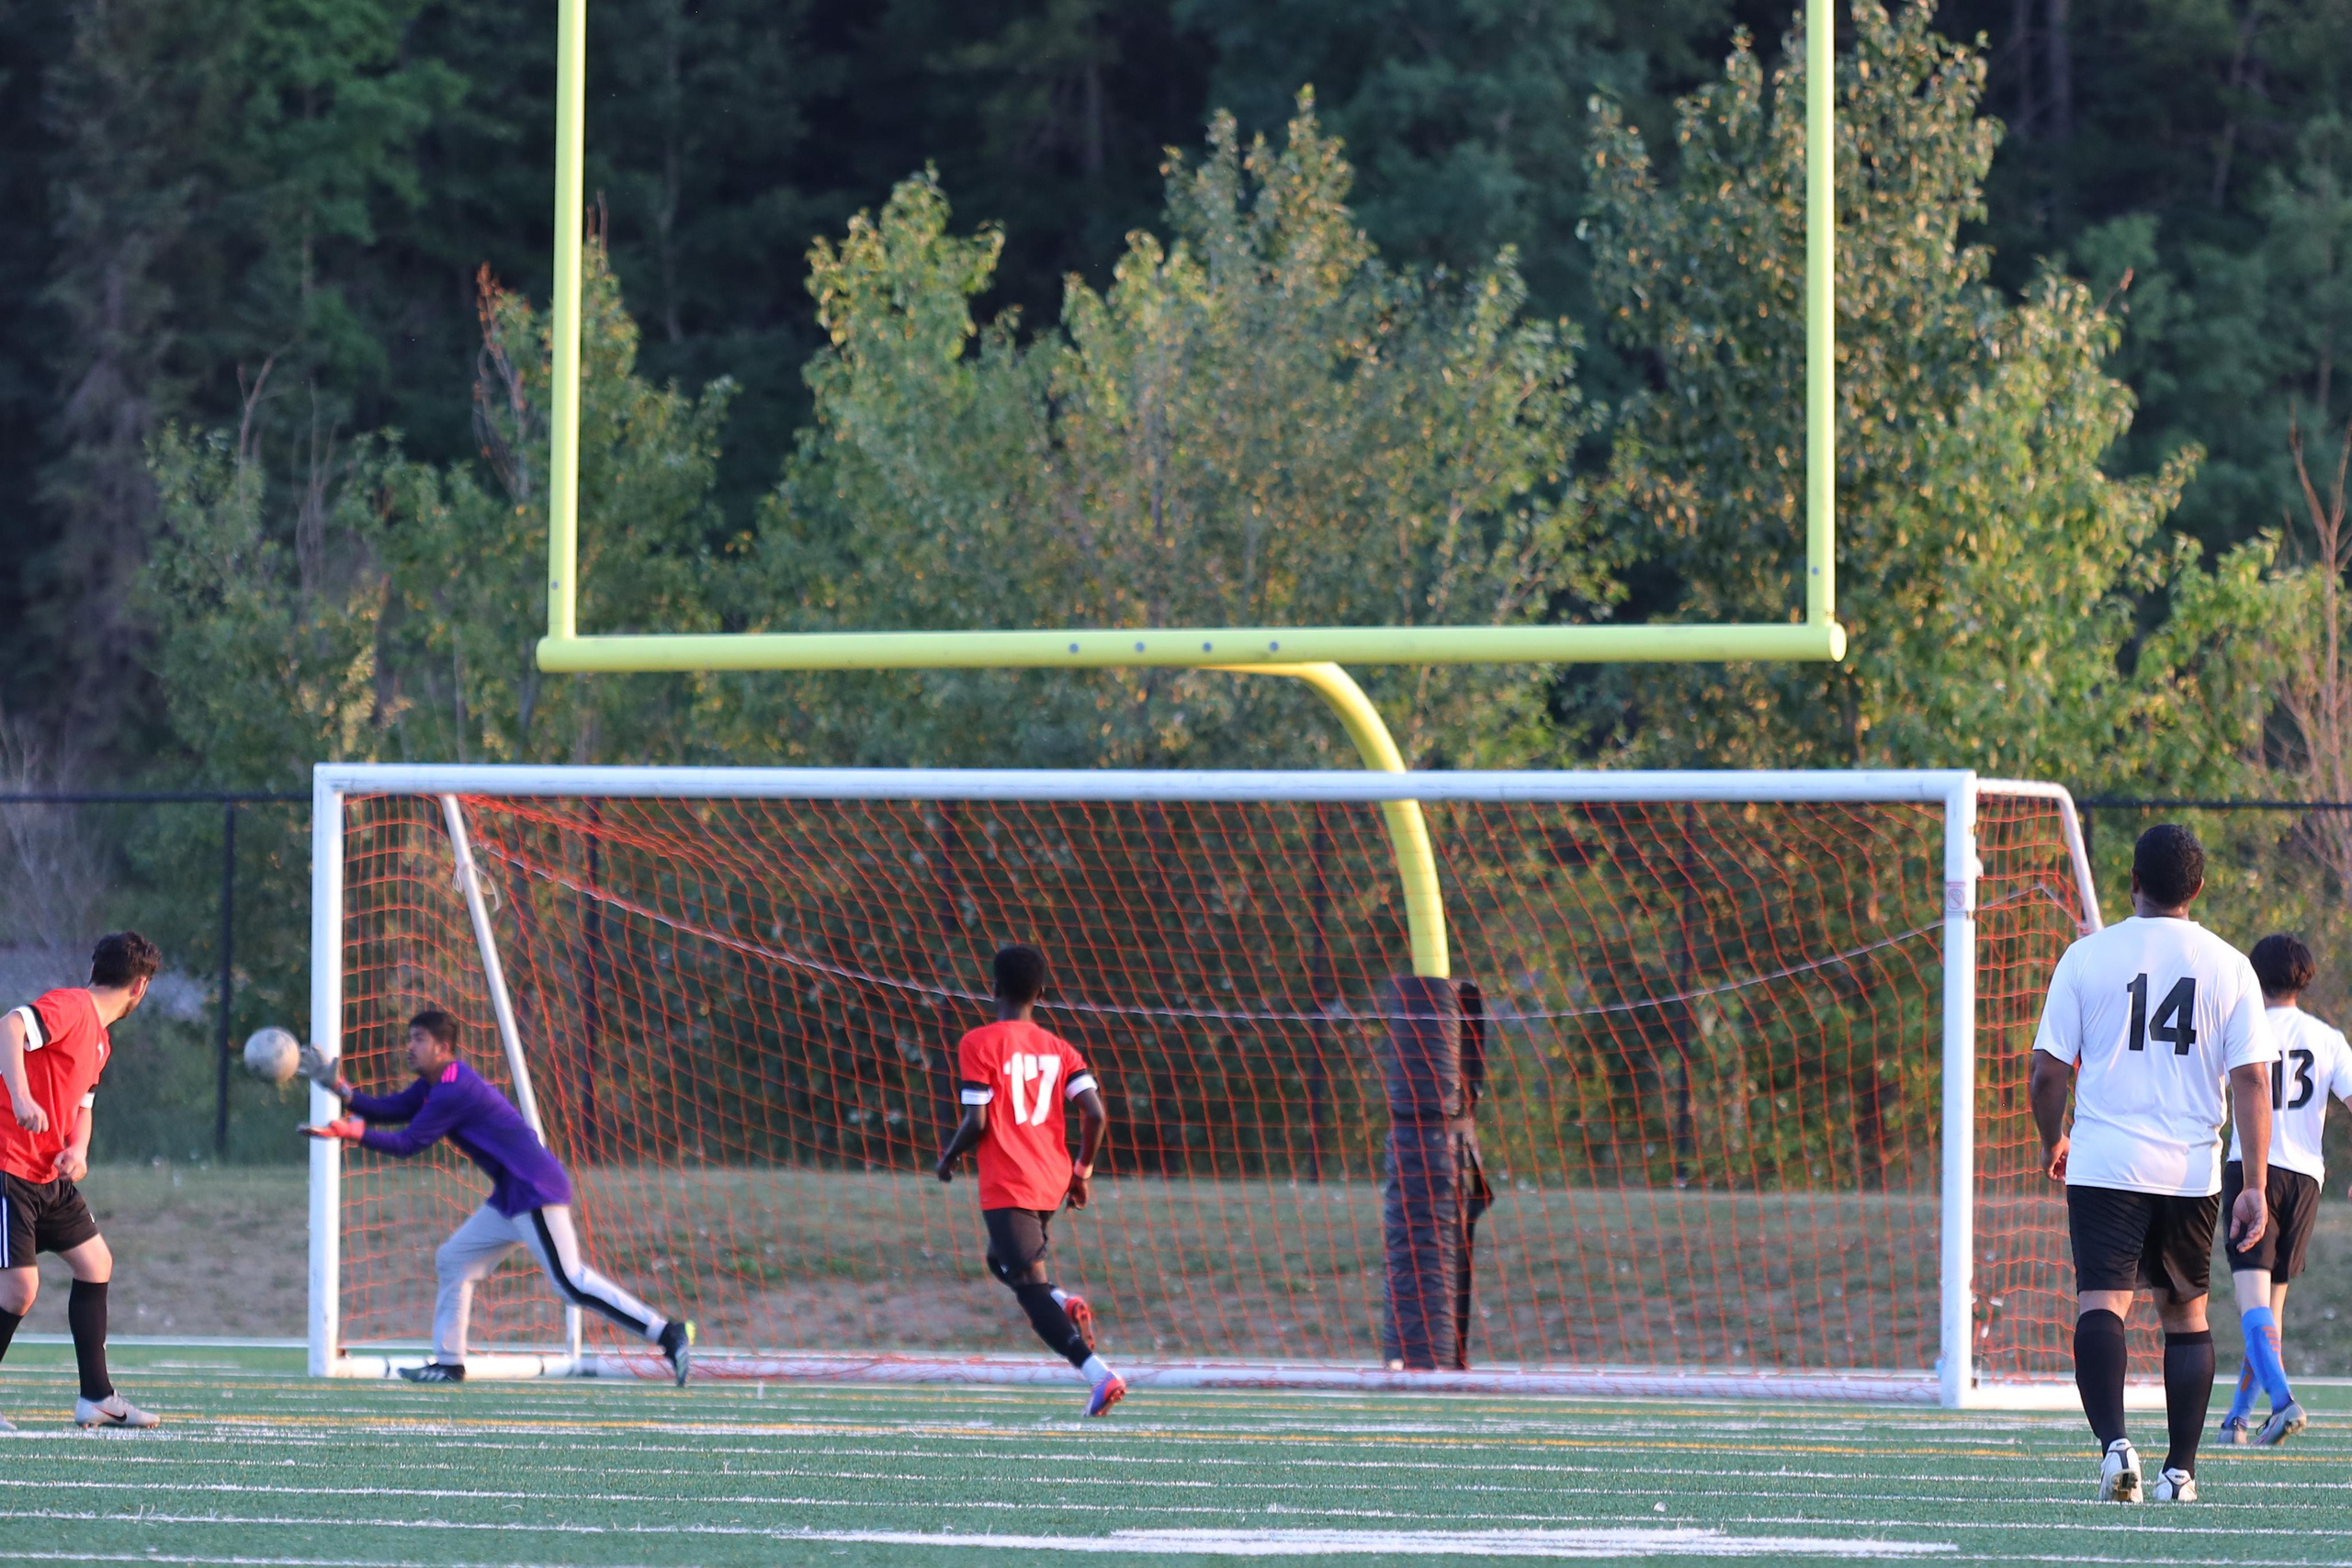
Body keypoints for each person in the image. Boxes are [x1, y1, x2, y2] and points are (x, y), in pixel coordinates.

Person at [2029, 824, 2276, 1504]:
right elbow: (2253, 1080)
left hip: (2105, 1159)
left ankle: (2114, 1448)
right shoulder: (2231, 965)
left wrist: (2053, 1137)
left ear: (2132, 882)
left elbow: (2048, 1074)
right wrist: (2253, 1182)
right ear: (2197, 888)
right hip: (2190, 1168)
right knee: (2186, 1314)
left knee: (2101, 1303)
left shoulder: (2085, 957)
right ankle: (2180, 1471)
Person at [303, 1009, 694, 1385]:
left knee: (570, 1284)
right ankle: (448, 1364)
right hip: (511, 1194)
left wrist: (354, 1134)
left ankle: (667, 1333)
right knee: (454, 1260)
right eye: (409, 1039)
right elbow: (390, 1110)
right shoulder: (437, 1084)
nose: (409, 1047)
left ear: (443, 1047)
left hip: (533, 1187)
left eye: (418, 1039)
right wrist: (338, 1088)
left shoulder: (452, 1090)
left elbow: (409, 1143)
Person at [933, 943, 1125, 1416]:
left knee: (1025, 1283)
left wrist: (948, 1157)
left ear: (993, 988)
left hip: (1010, 1181)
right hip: (1051, 1180)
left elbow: (977, 1121)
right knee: (999, 1262)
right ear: (1042, 992)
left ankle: (1098, 1375)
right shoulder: (1061, 1049)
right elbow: (1095, 1114)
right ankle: (1062, 1300)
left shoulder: (977, 1042)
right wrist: (1081, 1173)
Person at [0, 931, 164, 1429]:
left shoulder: (101, 1038)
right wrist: (21, 1097)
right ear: (141, 986)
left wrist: (79, 1148)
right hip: (8, 1166)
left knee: (95, 1264)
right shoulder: (72, 1007)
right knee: (19, 1291)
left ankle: (96, 1396)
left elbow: (83, 1104)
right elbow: (9, 1026)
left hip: (48, 1173)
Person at [2215, 933, 2351, 1447]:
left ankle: (2283, 1401)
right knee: (2272, 1307)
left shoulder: (2240, 1027)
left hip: (2254, 1168)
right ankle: (2237, 1421)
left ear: (2254, 975)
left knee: (2251, 1299)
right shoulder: (2328, 1037)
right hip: (2305, 1178)